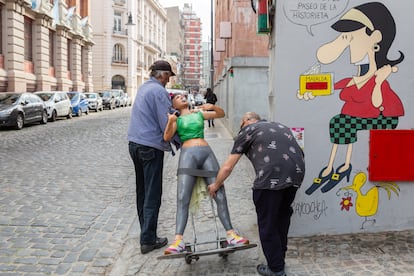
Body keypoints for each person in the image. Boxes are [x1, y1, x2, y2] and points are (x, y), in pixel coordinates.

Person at [208, 112, 305, 276]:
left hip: (269, 180)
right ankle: (278, 260)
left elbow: (228, 166)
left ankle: (276, 269)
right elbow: (299, 153)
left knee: (267, 225)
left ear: (245, 121)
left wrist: (216, 185)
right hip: (295, 175)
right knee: (281, 220)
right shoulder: (281, 126)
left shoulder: (247, 130)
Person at [162, 94, 249, 255]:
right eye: (178, 97)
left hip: (206, 153)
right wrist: (170, 121)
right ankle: (178, 241)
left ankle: (231, 235)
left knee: (219, 193)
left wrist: (212, 106)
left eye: (183, 96)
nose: (182, 97)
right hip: (188, 156)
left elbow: (221, 114)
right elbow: (166, 137)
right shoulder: (177, 120)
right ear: (173, 105)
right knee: (182, 197)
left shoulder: (199, 114)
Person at [127, 60, 180, 254]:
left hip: (135, 144)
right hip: (149, 147)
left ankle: (145, 233)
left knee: (142, 191)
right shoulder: (158, 91)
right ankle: (148, 239)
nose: (168, 80)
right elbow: (166, 123)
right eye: (168, 76)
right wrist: (184, 142)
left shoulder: (144, 88)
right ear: (162, 74)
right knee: (152, 193)